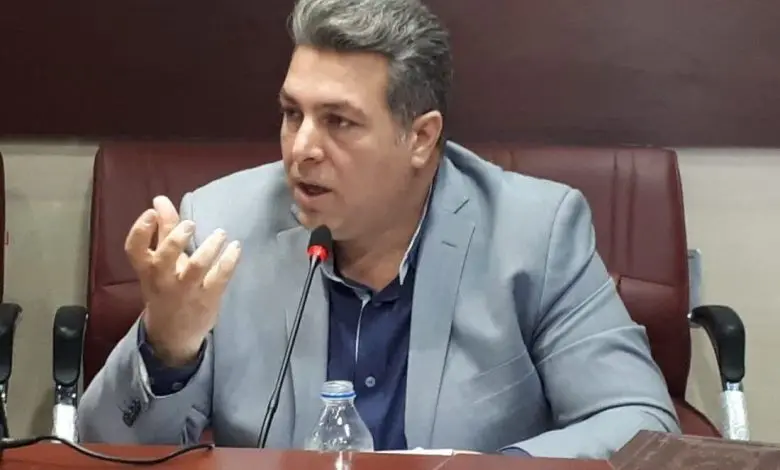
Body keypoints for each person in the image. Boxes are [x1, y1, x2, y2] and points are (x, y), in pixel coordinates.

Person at [76, 0, 681, 459]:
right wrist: (168, 347)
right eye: (291, 114)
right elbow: (104, 448)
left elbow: (640, 422)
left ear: (420, 137)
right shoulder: (222, 224)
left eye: (338, 121)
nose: (301, 148)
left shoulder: (533, 233)